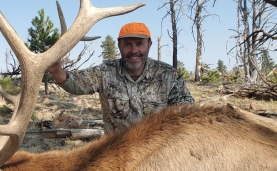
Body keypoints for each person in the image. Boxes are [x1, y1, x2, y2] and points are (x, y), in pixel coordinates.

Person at [47, 22, 195, 133]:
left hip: (155, 153)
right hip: (117, 153)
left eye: (139, 44)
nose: (134, 50)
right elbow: (75, 83)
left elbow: (188, 111)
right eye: (128, 45)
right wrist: (55, 70)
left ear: (149, 44)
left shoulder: (168, 75)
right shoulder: (105, 71)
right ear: (119, 46)